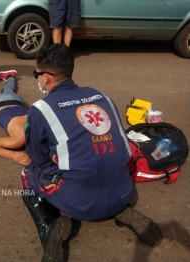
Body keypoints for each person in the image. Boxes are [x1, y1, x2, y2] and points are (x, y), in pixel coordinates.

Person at [21, 44, 163, 261]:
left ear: (47, 77)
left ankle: (49, 229)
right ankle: (120, 210)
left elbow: (37, 159)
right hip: (124, 192)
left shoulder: (41, 109)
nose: (38, 79)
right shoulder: (102, 97)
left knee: (28, 173)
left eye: (37, 74)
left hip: (83, 205)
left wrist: (56, 159)